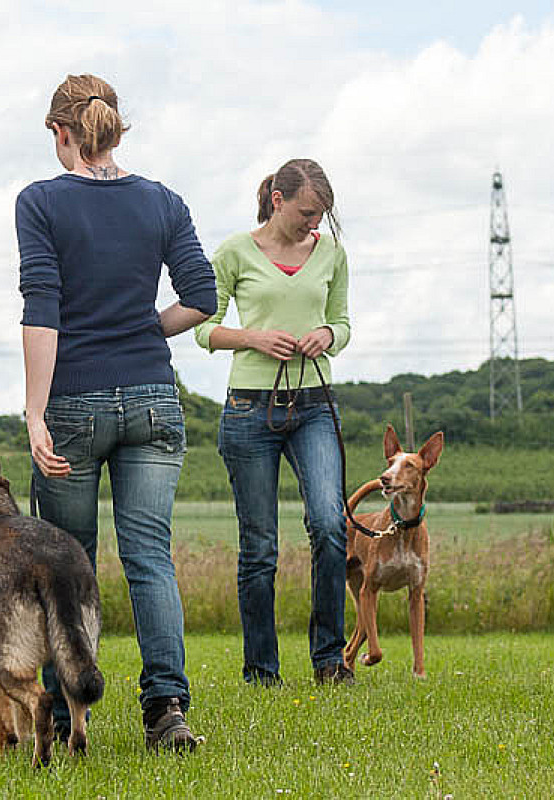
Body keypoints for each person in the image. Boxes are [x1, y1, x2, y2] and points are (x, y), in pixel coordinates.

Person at [16, 74, 217, 751]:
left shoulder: (40, 202)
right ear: (115, 128)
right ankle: (166, 711)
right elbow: (202, 297)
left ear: (60, 133)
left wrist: (35, 411)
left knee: (67, 563)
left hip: (73, 400)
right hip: (155, 402)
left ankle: (71, 710)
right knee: (150, 559)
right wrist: (140, 329)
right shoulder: (164, 202)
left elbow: (42, 308)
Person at [194, 159, 352, 686]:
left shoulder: (331, 253)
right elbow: (204, 329)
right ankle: (262, 669)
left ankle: (330, 660)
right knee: (259, 545)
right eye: (308, 212)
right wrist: (253, 337)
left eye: (322, 215)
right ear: (279, 200)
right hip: (249, 408)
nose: (315, 224)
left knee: (331, 527)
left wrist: (327, 335)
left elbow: (344, 322)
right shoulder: (234, 252)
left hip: (313, 403)